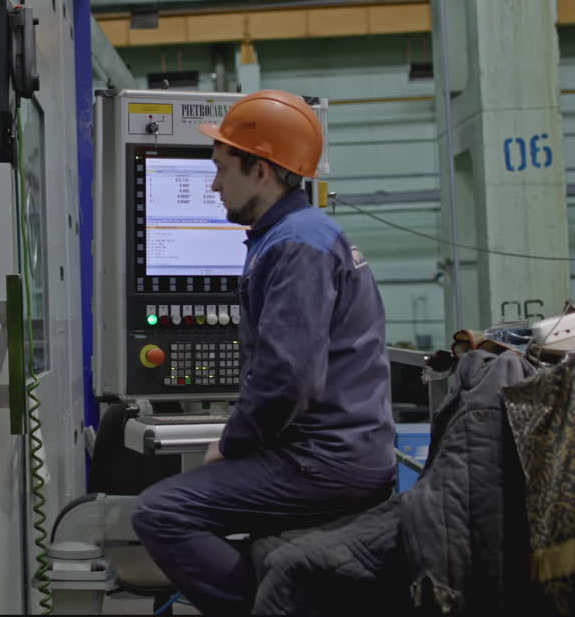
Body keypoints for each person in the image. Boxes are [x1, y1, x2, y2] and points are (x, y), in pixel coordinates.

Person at [130, 89, 398, 616]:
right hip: (338, 454)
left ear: (261, 171)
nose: (213, 184)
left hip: (325, 463)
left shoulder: (296, 246)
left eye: (221, 168)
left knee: (161, 513)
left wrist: (231, 443)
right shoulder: (299, 235)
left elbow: (288, 378)